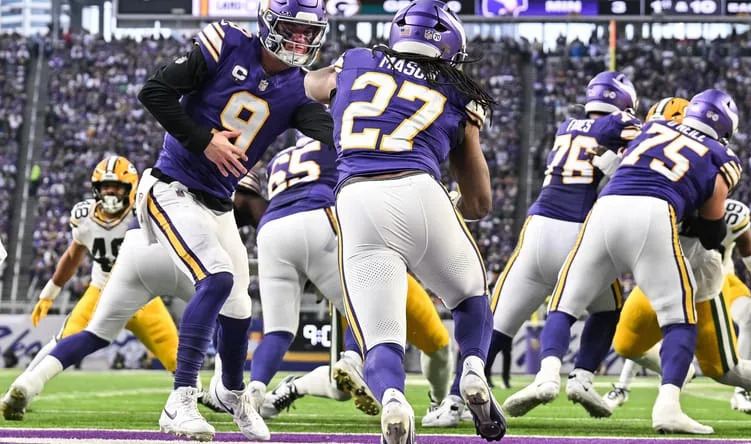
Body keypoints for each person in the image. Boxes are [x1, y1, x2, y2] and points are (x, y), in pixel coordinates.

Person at [304, 1, 505, 442]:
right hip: (420, 189)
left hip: (357, 201)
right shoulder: (458, 92)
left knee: (381, 339)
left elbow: (311, 86)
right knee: (471, 295)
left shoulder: (357, 61)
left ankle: (393, 401)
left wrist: (345, 72)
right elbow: (480, 201)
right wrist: (455, 202)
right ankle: (472, 369)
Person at [135, 0, 333, 438]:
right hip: (172, 186)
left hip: (219, 203)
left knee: (241, 306)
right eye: (292, 29)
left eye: (307, 32)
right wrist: (204, 139)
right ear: (269, 23)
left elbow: (333, 134)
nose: (299, 40)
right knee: (218, 277)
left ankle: (230, 391)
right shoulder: (225, 44)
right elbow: (153, 92)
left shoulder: (297, 88)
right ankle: (181, 399)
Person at [503, 89, 742, 435]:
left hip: (606, 207)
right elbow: (711, 226)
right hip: (653, 212)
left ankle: (547, 376)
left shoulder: (650, 128)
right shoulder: (722, 155)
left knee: (566, 302)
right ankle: (668, 407)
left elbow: (602, 141)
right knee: (678, 316)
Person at [203, 137, 453, 420]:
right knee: (364, 312)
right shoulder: (342, 140)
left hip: (272, 230)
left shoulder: (279, 159)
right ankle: (351, 361)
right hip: (325, 218)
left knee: (278, 330)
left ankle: (255, 393)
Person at [462, 71, 641, 426]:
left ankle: (455, 401)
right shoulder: (622, 123)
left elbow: (592, 153)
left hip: (537, 227)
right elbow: (633, 160)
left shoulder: (565, 127)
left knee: (497, 323)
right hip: (579, 231)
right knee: (603, 310)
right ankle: (578, 377)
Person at [1, 156, 179, 421]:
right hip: (101, 288)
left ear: (130, 188)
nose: (110, 192)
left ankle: (203, 395)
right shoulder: (84, 216)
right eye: (105, 186)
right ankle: (22, 389)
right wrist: (50, 292)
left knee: (176, 355)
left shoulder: (144, 212)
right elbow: (73, 256)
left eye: (117, 187)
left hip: (143, 292)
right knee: (63, 341)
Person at [606, 198, 751, 415]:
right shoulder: (660, 200)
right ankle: (626, 386)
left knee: (731, 351)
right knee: (626, 344)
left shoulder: (730, 213)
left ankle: (742, 391)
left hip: (712, 280)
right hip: (660, 278)